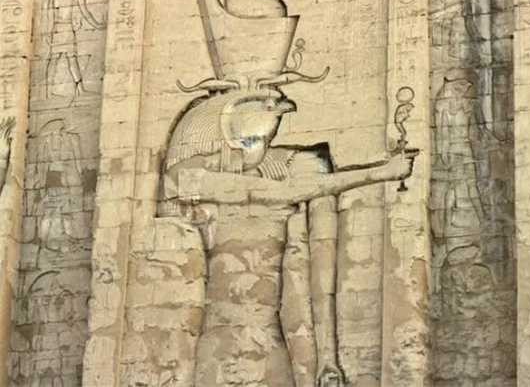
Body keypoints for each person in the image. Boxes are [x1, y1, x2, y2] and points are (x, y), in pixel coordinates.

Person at [161, 87, 418, 387]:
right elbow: (285, 191)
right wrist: (382, 173)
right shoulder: (185, 175)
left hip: (272, 340)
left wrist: (325, 359)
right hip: (222, 344)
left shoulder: (277, 168)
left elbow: (303, 266)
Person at [42, 0, 105, 100]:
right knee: (64, 58)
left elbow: (47, 12)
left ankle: (49, 92)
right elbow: (84, 11)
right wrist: (97, 25)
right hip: (62, 28)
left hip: (60, 28)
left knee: (63, 59)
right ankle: (51, 92)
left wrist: (47, 32)